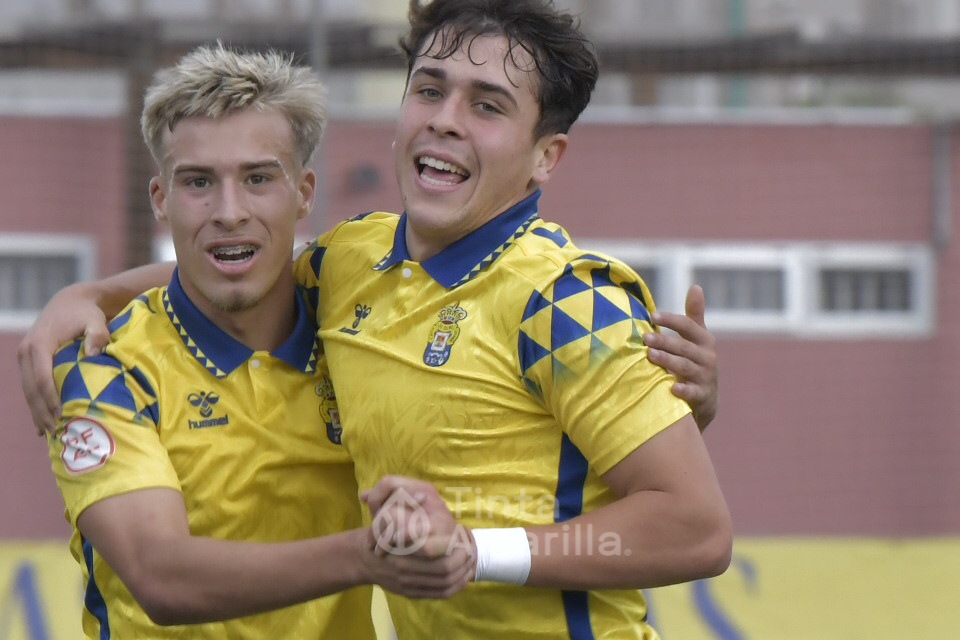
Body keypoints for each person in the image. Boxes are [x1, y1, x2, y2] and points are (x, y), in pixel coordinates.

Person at [17, 1, 726, 638]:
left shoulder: (570, 302)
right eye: (430, 90)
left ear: (546, 156)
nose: (445, 118)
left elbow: (696, 530)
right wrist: (90, 295)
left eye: (487, 105)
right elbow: (242, 269)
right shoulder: (352, 264)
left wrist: (478, 551)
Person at [41, 43, 470, 639]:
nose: (229, 211)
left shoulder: (355, 323)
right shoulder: (101, 365)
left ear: (304, 191)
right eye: (198, 181)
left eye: (259, 178)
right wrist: (366, 555)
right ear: (161, 200)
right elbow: (161, 577)